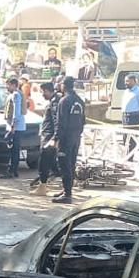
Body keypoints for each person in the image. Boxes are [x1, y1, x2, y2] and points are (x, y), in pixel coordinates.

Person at [52, 76, 85, 204]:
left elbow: (60, 123)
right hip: (76, 137)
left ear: (63, 85)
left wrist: (56, 139)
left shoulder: (64, 101)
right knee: (71, 164)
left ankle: (67, 194)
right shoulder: (79, 101)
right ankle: (66, 189)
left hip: (65, 139)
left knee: (64, 165)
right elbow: (83, 121)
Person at [30, 80, 58, 193]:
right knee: (52, 163)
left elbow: (56, 121)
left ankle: (42, 187)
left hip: (49, 136)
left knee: (44, 162)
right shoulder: (54, 101)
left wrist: (54, 138)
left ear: (47, 91)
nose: (42, 95)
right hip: (48, 135)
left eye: (43, 92)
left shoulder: (55, 103)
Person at [121, 72, 139, 157]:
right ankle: (126, 155)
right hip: (125, 116)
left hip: (134, 117)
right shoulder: (126, 91)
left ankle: (130, 157)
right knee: (125, 137)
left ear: (133, 81)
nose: (125, 83)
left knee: (132, 138)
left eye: (127, 81)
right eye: (125, 81)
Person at [3, 76, 25, 178]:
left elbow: (16, 111)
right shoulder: (17, 94)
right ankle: (14, 171)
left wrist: (13, 126)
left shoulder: (16, 94)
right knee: (14, 149)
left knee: (13, 150)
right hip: (16, 126)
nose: (7, 87)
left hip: (15, 127)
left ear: (13, 85)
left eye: (8, 85)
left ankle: (11, 171)